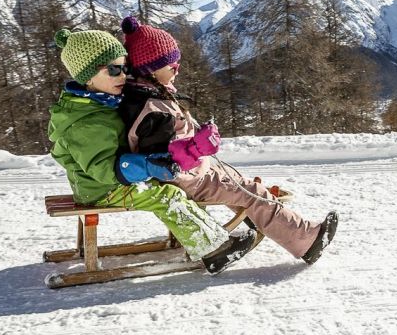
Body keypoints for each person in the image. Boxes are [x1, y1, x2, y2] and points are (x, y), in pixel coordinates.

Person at [118, 16, 339, 265]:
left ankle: (265, 223)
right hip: (187, 180)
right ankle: (306, 240)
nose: (177, 68)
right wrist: (197, 146)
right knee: (251, 192)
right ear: (150, 69)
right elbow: (161, 159)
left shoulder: (150, 96)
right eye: (171, 65)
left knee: (241, 183)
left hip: (193, 173)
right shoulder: (152, 108)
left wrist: (197, 135)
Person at [47, 28, 257, 275]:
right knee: (167, 197)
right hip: (102, 189)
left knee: (175, 187)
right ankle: (214, 250)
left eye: (125, 68)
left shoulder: (100, 103)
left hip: (111, 181)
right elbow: (103, 169)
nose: (123, 75)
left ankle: (204, 237)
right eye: (114, 70)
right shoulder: (85, 122)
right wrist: (145, 166)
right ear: (87, 76)